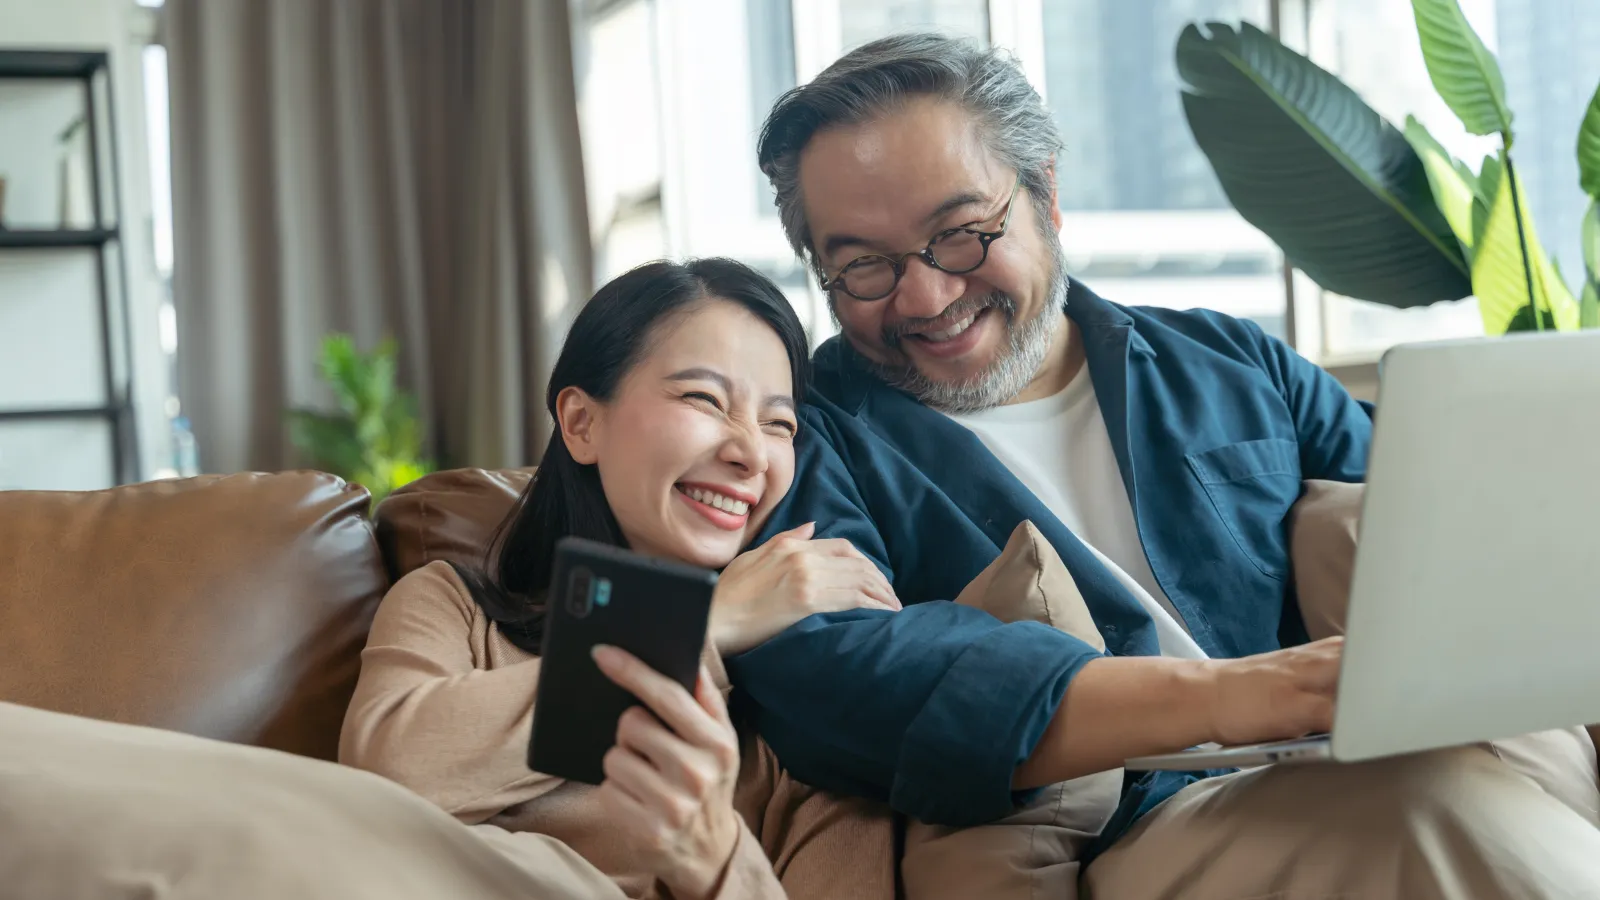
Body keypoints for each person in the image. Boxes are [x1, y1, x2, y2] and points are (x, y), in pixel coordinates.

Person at [721, 32, 1600, 898]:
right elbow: (840, 680)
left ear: (1046, 195)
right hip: (1141, 826)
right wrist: (1227, 696)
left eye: (959, 235)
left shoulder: (1228, 361)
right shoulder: (809, 442)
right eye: (863, 267)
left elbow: (1444, 515)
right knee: (1433, 811)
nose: (926, 296)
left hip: (1374, 768)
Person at [339, 259, 899, 900]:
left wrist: (715, 860)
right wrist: (700, 623)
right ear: (581, 423)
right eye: (704, 399)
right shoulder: (455, 608)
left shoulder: (808, 704)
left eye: (779, 423)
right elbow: (380, 777)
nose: (749, 451)